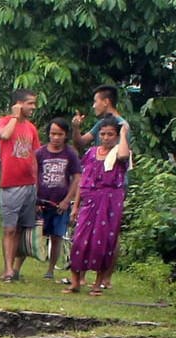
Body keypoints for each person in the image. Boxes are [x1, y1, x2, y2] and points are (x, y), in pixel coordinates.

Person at [65, 119, 131, 295]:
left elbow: (124, 155)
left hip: (109, 202)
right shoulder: (91, 153)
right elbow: (82, 180)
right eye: (103, 134)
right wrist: (75, 206)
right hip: (89, 200)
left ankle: (97, 284)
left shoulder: (120, 153)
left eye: (110, 134)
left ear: (116, 136)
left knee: (103, 242)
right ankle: (75, 282)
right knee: (79, 240)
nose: (106, 138)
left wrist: (124, 133)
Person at [0, 88, 40, 281]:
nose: (33, 107)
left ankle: (16, 268)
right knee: (9, 228)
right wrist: (14, 116)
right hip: (11, 184)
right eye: (30, 103)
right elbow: (4, 136)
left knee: (23, 228)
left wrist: (38, 182)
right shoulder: (4, 122)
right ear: (19, 104)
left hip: (29, 183)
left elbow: (35, 155)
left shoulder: (31, 128)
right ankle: (7, 269)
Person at [34, 118, 82, 278]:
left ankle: (51, 269)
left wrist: (68, 200)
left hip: (60, 203)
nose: (55, 138)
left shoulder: (70, 154)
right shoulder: (40, 153)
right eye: (53, 134)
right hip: (41, 201)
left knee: (57, 236)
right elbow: (34, 175)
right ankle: (16, 267)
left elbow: (76, 177)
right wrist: (34, 199)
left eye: (59, 134)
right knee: (32, 233)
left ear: (65, 135)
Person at [72, 83, 130, 152]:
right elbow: (80, 143)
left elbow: (121, 154)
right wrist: (76, 127)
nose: (94, 106)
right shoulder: (101, 122)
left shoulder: (122, 125)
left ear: (106, 102)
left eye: (95, 101)